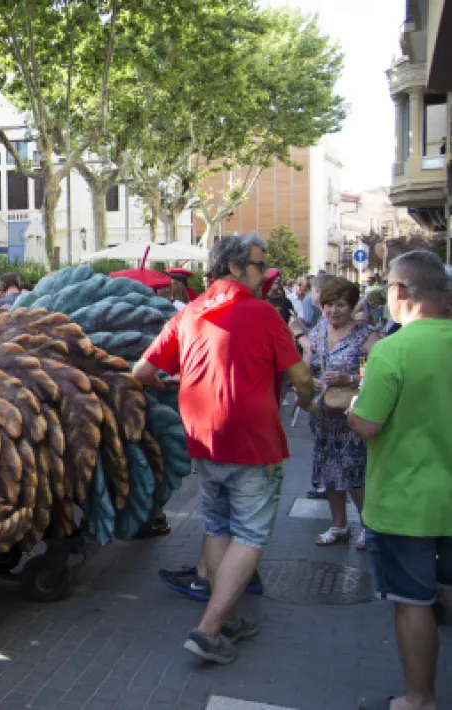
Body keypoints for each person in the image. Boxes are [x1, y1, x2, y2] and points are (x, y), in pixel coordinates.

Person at [134, 234, 315, 665]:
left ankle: (228, 617)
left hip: (202, 438)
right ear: (234, 267)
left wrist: (168, 382)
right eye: (258, 264)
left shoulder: (191, 312)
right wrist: (309, 405)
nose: (264, 273)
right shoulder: (263, 314)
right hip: (253, 443)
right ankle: (209, 629)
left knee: (217, 528)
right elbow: (302, 378)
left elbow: (141, 370)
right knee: (249, 534)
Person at [347, 251, 452, 710]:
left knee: (413, 602)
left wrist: (350, 408)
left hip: (405, 503)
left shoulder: (392, 349)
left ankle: (419, 699)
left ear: (399, 291)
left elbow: (368, 424)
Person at [305, 276, 379, 551]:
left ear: (352, 306)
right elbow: (307, 364)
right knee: (328, 472)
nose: (333, 311)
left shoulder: (366, 335)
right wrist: (309, 380)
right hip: (324, 416)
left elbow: (377, 375)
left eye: (340, 305)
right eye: (328, 305)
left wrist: (350, 380)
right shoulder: (319, 332)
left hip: (353, 415)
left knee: (354, 472)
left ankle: (367, 527)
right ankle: (339, 524)